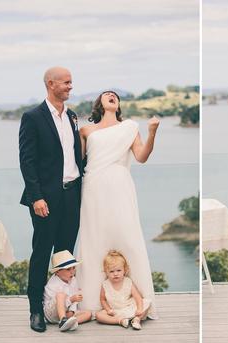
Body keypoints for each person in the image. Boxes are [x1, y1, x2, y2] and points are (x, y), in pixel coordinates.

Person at [75, 90, 159, 319]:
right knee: (94, 239)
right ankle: (92, 304)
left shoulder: (130, 127)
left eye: (115, 95)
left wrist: (152, 132)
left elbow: (141, 156)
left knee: (128, 237)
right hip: (93, 186)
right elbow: (76, 162)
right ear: (99, 104)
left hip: (121, 186)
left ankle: (139, 301)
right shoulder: (86, 130)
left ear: (118, 104)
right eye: (107, 94)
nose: (112, 96)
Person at [19, 66, 83, 332]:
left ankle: (63, 308)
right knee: (42, 252)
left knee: (65, 257)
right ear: (50, 84)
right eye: (66, 82)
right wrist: (36, 198)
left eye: (71, 82)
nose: (70, 86)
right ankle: (36, 309)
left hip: (73, 195)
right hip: (45, 199)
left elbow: (77, 156)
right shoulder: (32, 117)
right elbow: (27, 161)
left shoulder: (72, 116)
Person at [95, 250, 152, 330]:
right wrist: (108, 310)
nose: (115, 274)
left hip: (129, 307)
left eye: (119, 270)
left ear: (124, 270)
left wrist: (139, 309)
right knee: (98, 315)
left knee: (146, 302)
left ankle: (136, 319)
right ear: (106, 272)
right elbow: (102, 299)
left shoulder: (128, 281)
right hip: (115, 311)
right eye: (111, 271)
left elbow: (138, 297)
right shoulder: (105, 284)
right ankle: (120, 321)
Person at [43, 250, 92, 331]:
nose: (72, 272)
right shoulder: (53, 284)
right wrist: (71, 299)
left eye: (73, 268)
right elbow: (57, 303)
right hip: (52, 314)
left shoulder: (73, 280)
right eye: (68, 269)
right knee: (60, 295)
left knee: (88, 314)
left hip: (67, 311)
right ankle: (63, 320)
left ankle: (71, 323)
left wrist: (72, 311)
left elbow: (75, 297)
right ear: (58, 272)